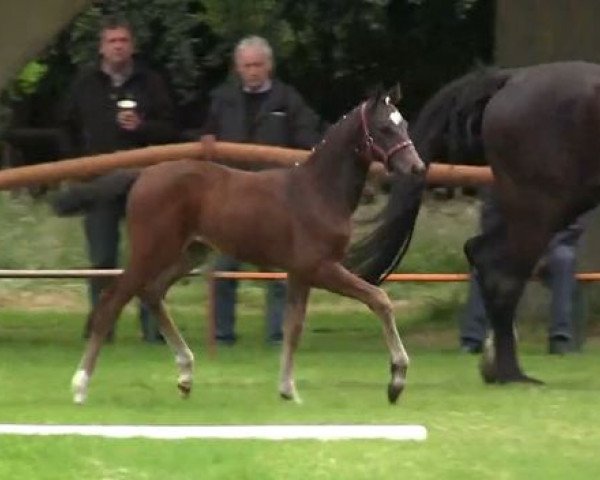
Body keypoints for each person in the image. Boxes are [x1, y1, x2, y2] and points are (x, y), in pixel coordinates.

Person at [200, 35, 323, 345]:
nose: (252, 71)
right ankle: (222, 334)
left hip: (276, 199)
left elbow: (309, 137)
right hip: (232, 197)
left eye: (257, 65)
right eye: (246, 66)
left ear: (269, 66)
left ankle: (278, 335)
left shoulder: (289, 99)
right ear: (237, 68)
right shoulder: (222, 98)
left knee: (281, 271)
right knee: (225, 267)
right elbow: (204, 132)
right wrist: (206, 138)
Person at [60, 16, 176, 342]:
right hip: (99, 183)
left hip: (145, 184)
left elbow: (171, 128)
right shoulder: (84, 83)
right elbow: (64, 126)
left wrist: (141, 127)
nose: (118, 46)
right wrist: (75, 165)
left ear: (132, 46)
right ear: (102, 47)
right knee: (102, 259)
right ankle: (102, 326)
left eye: (123, 40)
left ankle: (153, 329)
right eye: (112, 41)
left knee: (149, 257)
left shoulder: (150, 83)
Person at [460, 188, 587, 355]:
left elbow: (571, 225)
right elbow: (490, 222)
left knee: (564, 259)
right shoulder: (502, 180)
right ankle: (472, 340)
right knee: (484, 263)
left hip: (550, 250)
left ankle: (560, 338)